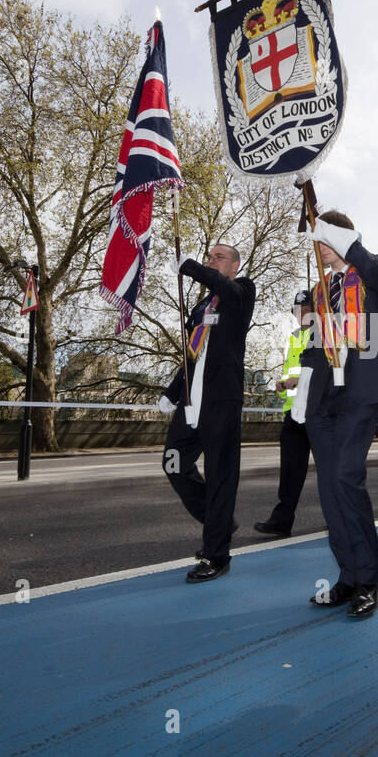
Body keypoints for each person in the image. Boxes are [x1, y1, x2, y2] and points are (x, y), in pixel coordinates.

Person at [295, 210, 378, 619]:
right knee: (329, 490)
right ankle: (348, 576)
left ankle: (369, 580)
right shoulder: (320, 290)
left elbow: (369, 264)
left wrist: (337, 235)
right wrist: (303, 386)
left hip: (361, 390)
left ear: (339, 238)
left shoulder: (372, 269)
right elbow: (313, 340)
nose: (318, 248)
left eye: (323, 239)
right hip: (323, 397)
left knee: (346, 478)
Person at [158, 243, 256, 583]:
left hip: (221, 401)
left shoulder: (241, 290)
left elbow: (224, 287)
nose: (211, 261)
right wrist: (172, 394)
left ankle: (216, 554)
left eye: (219, 257)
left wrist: (192, 268)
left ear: (234, 265)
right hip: (191, 399)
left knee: (220, 475)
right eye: (208, 256)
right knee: (173, 460)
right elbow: (191, 353)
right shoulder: (201, 306)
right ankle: (219, 521)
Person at [254, 291, 314, 538]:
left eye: (305, 308)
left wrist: (297, 380)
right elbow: (291, 371)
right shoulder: (293, 338)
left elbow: (325, 371)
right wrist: (282, 385)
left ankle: (340, 517)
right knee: (289, 469)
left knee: (332, 469)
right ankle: (281, 520)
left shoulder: (322, 335)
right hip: (293, 412)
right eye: (297, 310)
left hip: (317, 411)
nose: (300, 313)